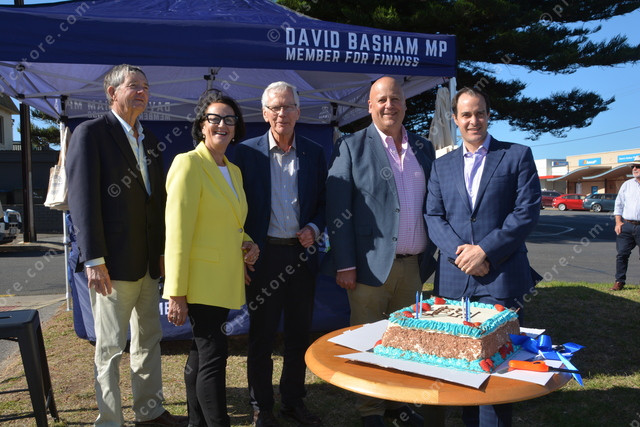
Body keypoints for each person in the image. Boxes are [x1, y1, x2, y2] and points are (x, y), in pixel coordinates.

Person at [66, 64, 186, 426]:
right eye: (134, 86)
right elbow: (83, 201)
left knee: (149, 340)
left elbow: (157, 203)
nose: (142, 92)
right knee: (109, 348)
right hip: (111, 266)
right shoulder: (90, 134)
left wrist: (162, 253)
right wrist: (94, 259)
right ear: (112, 92)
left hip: (148, 263)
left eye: (146, 87)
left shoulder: (149, 140)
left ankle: (149, 413)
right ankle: (110, 420)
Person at [425, 86, 541, 427]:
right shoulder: (441, 166)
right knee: (461, 365)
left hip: (502, 279)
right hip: (454, 280)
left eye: (479, 113)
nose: (473, 120)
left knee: (498, 369)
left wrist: (485, 251)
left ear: (488, 115)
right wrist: (463, 256)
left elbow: (526, 212)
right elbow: (433, 216)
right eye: (466, 115)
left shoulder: (517, 155)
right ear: (455, 119)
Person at [325, 76, 436, 427]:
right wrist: (345, 263)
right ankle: (370, 410)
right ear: (370, 106)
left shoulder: (424, 147)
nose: (390, 105)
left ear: (405, 104)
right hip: (368, 267)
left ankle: (397, 405)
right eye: (382, 99)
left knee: (405, 341)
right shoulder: (351, 146)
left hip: (413, 266)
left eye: (396, 99)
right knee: (369, 339)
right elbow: (337, 209)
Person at [162, 90, 259, 426]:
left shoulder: (233, 170)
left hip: (223, 279)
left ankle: (196, 422)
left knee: (200, 353)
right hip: (200, 282)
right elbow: (177, 232)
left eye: (229, 119)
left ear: (236, 128)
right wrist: (176, 292)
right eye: (214, 118)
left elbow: (232, 223)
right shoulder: (188, 163)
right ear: (202, 125)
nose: (222, 124)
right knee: (214, 356)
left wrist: (248, 243)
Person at [233, 81, 326, 427]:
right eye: (274, 107)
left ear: (298, 112)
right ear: (264, 113)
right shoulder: (246, 153)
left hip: (301, 257)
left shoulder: (315, 152)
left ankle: (292, 402)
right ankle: (262, 407)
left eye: (287, 106)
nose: (281, 113)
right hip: (264, 256)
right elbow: (234, 209)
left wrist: (314, 227)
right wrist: (243, 247)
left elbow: (325, 202)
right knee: (261, 336)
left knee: (299, 336)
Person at [611, 155, 640, 291]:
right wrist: (618, 222)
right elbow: (619, 204)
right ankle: (619, 281)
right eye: (633, 166)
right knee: (622, 254)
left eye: (638, 166)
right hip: (627, 225)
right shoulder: (627, 185)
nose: (634, 169)